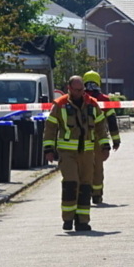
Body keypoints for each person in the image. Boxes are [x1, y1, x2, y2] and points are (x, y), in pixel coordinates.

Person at [43, 76, 110, 232]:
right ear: (69, 88)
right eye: (77, 90)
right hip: (67, 152)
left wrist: (105, 146)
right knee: (71, 183)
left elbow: (100, 126)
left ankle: (82, 221)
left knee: (86, 185)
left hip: (87, 153)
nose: (80, 93)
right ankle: (68, 218)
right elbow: (50, 128)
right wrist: (48, 150)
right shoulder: (60, 105)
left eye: (82, 90)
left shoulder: (92, 104)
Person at [83, 71, 120, 204]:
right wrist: (116, 140)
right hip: (99, 139)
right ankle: (97, 195)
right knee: (98, 168)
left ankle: (84, 194)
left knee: (83, 167)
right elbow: (111, 121)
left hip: (81, 139)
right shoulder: (104, 99)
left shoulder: (80, 97)